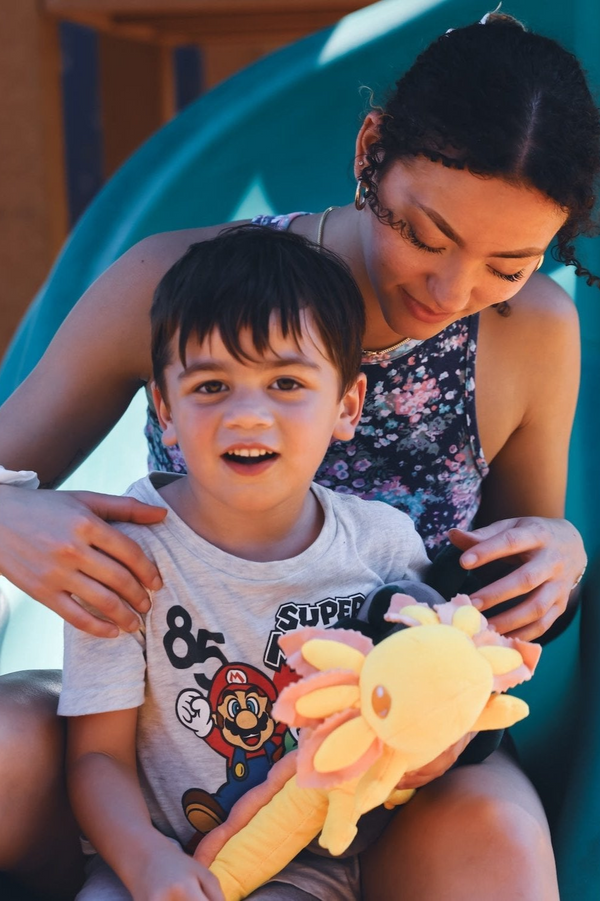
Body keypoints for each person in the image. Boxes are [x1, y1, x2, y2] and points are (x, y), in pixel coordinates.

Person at [0, 10, 596, 900]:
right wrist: (7, 514)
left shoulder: (533, 333)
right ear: (368, 154)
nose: (451, 289)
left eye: (508, 264)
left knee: (501, 845)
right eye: (425, 234)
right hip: (163, 730)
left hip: (383, 766)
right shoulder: (184, 287)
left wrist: (561, 555)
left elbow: (504, 588)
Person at [60, 225, 432, 901]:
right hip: (144, 856)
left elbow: (421, 714)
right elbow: (95, 756)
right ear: (164, 410)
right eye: (211, 387)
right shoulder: (122, 550)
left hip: (304, 869)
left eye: (286, 382)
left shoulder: (384, 551)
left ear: (347, 404)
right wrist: (146, 863)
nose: (248, 417)